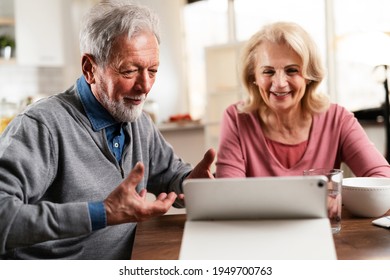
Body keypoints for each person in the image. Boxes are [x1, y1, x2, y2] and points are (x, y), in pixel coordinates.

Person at [0, 1, 215, 259]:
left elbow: (170, 174)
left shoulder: (139, 122)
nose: (145, 86)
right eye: (130, 71)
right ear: (90, 69)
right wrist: (101, 212)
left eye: (153, 71)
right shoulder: (42, 126)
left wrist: (191, 184)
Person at [216, 21, 390, 178]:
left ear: (309, 76)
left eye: (292, 70)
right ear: (253, 76)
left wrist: (339, 196)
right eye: (268, 71)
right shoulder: (236, 118)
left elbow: (382, 178)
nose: (279, 83)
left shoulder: (337, 119)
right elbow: (229, 191)